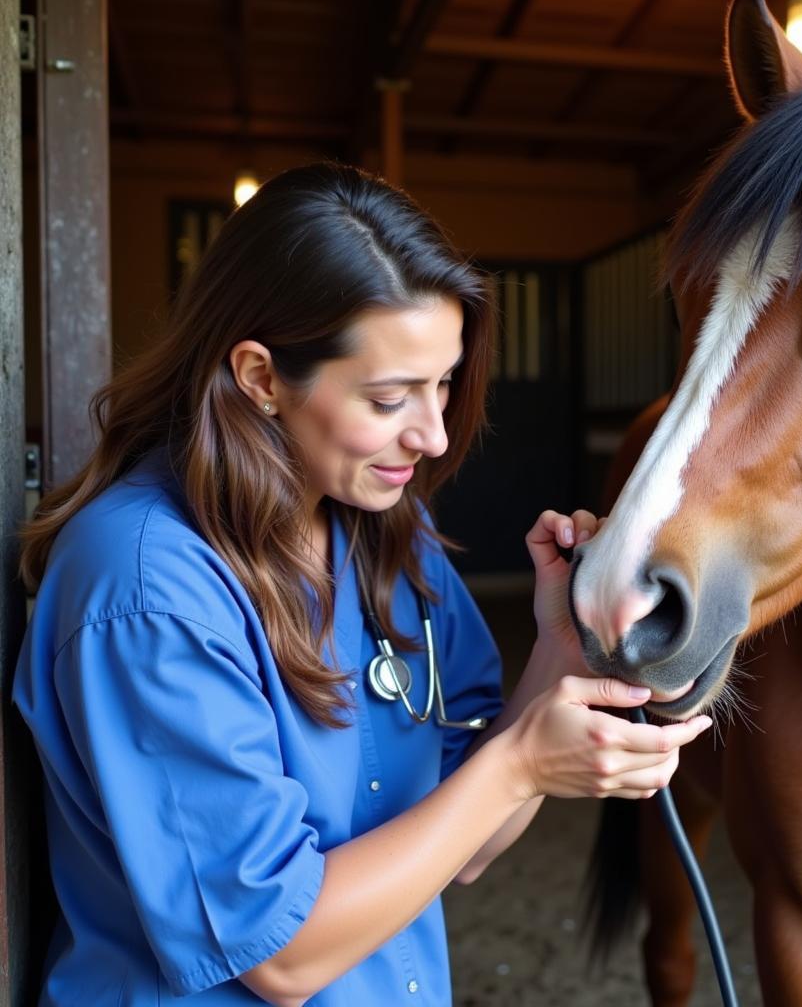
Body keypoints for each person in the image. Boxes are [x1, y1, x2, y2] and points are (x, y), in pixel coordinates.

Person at [13, 162, 712, 1006]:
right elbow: (280, 956)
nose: (432, 433)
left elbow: (471, 844)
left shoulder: (390, 532)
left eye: (445, 382)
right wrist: (522, 765)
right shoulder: (144, 588)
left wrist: (561, 653)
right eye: (389, 398)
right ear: (262, 378)